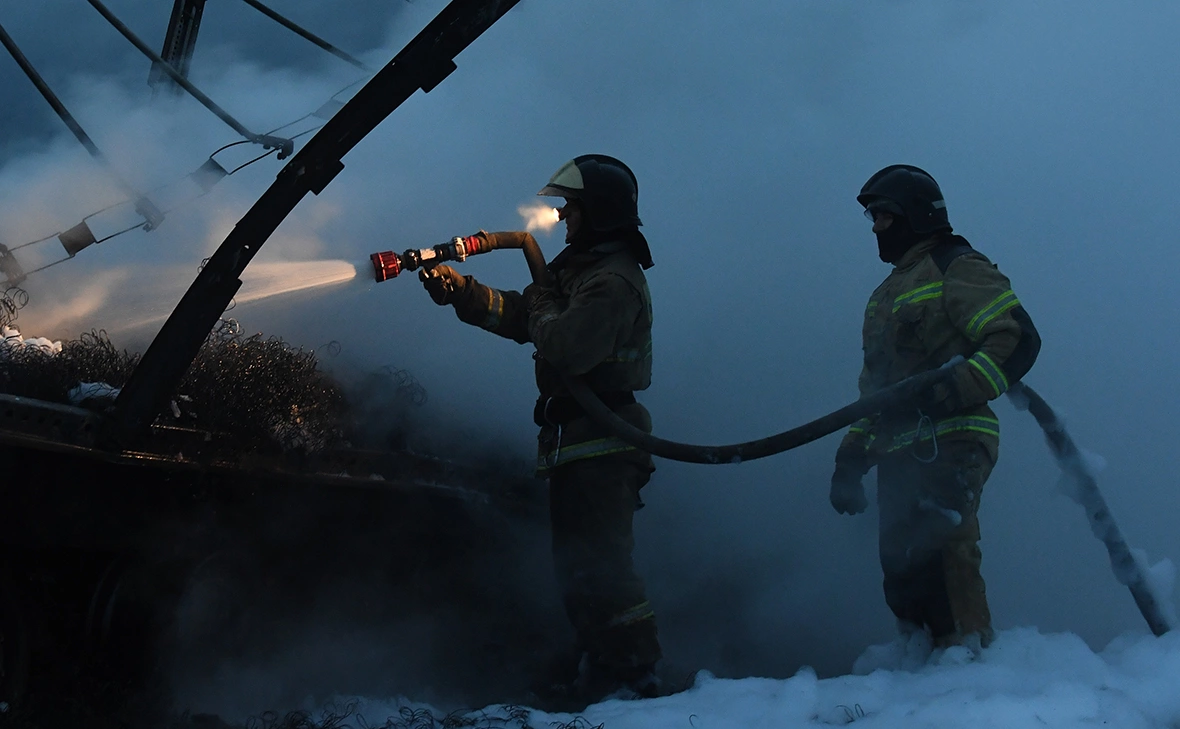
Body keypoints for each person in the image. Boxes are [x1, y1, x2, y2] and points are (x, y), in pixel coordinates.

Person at [418, 154, 662, 701]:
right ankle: (601, 672)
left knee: (604, 570)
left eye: (571, 207)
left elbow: (565, 346)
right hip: (576, 440)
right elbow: (528, 318)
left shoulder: (613, 281)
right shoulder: (582, 272)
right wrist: (463, 292)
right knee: (578, 572)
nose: (562, 216)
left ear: (599, 212)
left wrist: (542, 300)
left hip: (604, 439)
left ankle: (636, 677)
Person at [830, 164, 1041, 651]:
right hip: (899, 450)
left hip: (954, 438)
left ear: (915, 215)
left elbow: (1016, 339)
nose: (876, 229)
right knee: (903, 574)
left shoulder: (956, 265)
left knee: (942, 558)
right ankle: (924, 672)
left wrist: (951, 389)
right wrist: (852, 456)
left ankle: (966, 663)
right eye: (872, 218)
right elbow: (876, 390)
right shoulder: (885, 295)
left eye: (883, 216)